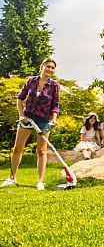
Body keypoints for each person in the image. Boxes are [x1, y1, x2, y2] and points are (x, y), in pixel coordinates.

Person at [1, 58, 60, 190]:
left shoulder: (55, 86)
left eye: (52, 68)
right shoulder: (31, 81)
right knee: (17, 148)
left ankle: (40, 182)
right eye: (48, 66)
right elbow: (20, 98)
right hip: (27, 118)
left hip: (43, 120)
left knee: (41, 150)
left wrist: (54, 119)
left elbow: (55, 105)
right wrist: (21, 115)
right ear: (42, 67)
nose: (50, 69)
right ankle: (11, 178)